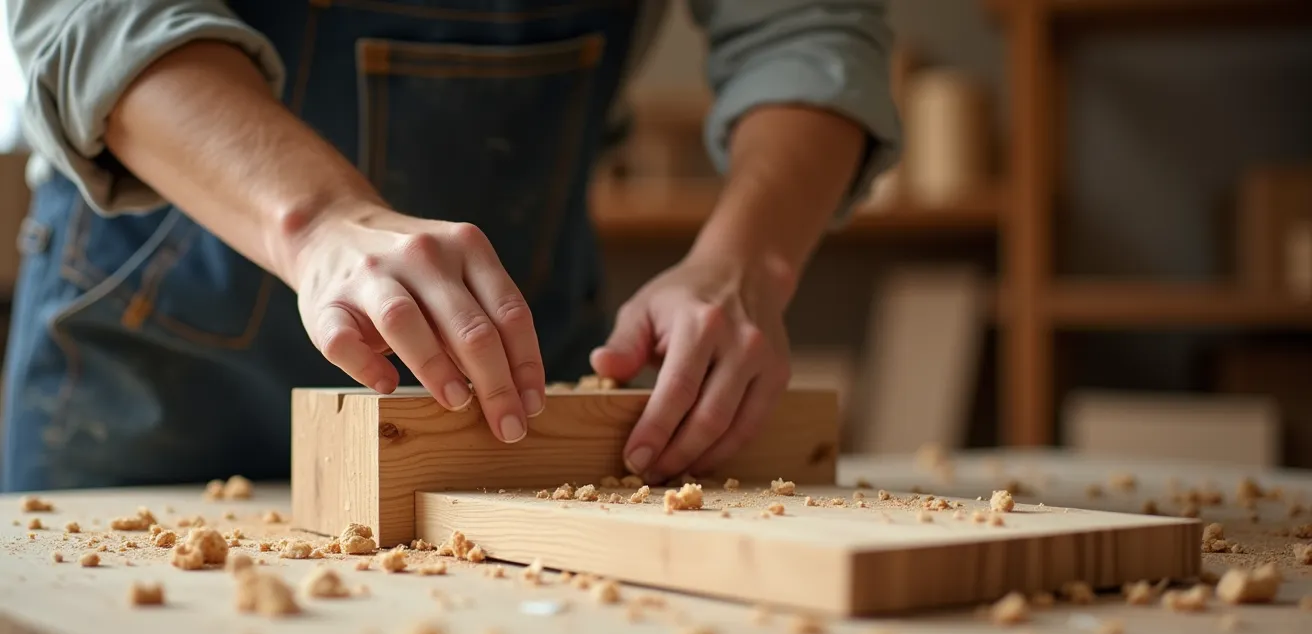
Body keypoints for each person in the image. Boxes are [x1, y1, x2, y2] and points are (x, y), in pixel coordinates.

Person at [0, 0, 899, 493]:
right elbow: (88, 12)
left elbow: (809, 26)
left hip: (506, 393)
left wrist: (747, 262)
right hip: (149, 370)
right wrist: (315, 219)